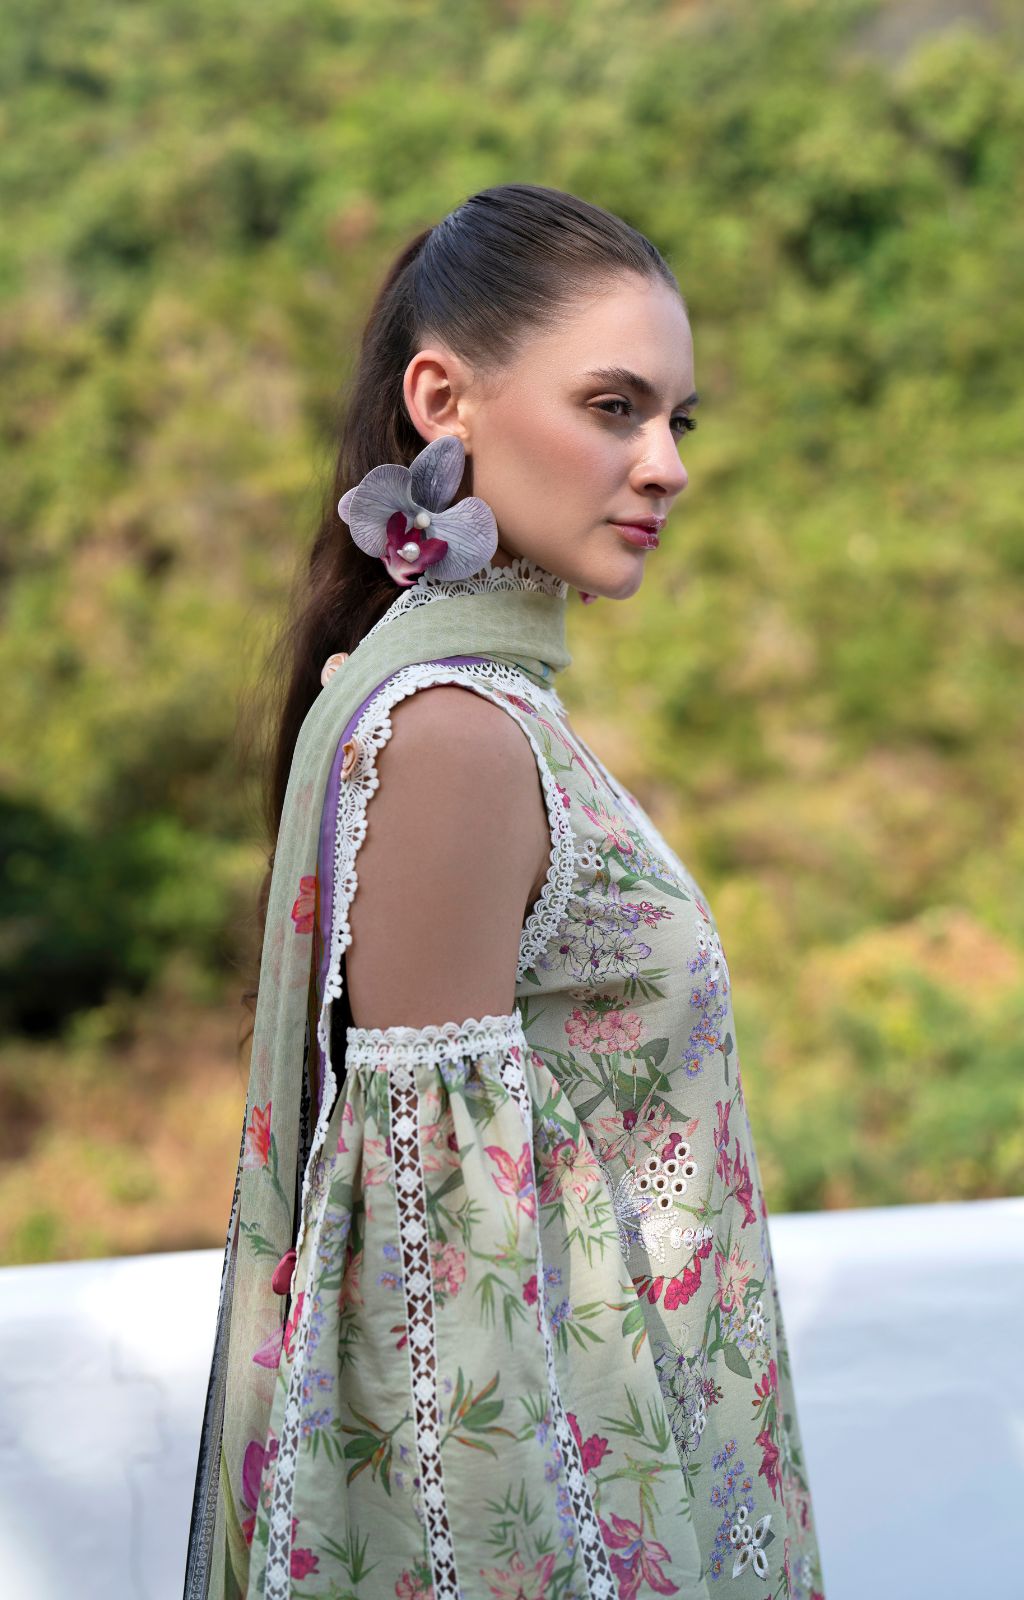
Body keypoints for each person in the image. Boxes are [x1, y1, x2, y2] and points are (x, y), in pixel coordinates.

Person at [184, 182, 827, 1600]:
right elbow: (434, 1310)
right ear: (443, 401)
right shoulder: (453, 739)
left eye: (679, 419)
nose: (666, 465)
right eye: (613, 407)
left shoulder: (482, 711)